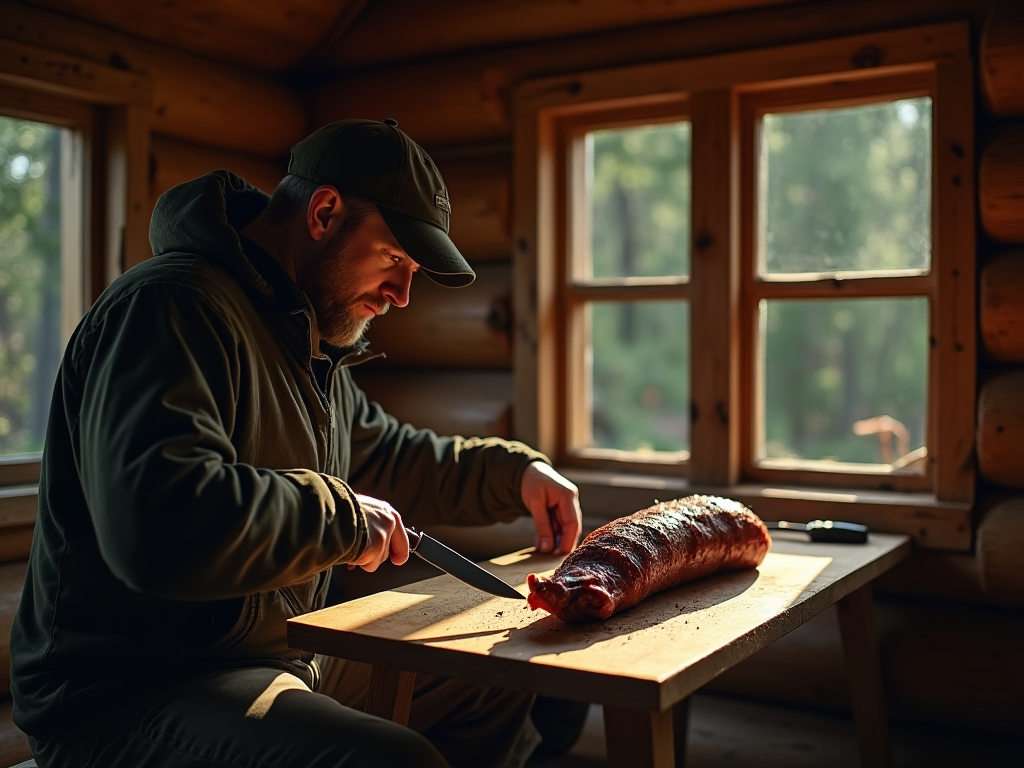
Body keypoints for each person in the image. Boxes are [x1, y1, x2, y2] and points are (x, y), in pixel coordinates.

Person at [10, 118, 584, 768]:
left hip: (278, 658)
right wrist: (338, 518)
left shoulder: (305, 340)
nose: (400, 295)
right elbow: (160, 520)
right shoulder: (168, 308)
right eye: (395, 259)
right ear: (325, 212)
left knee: (496, 677)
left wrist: (518, 473)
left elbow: (389, 456)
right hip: (129, 692)